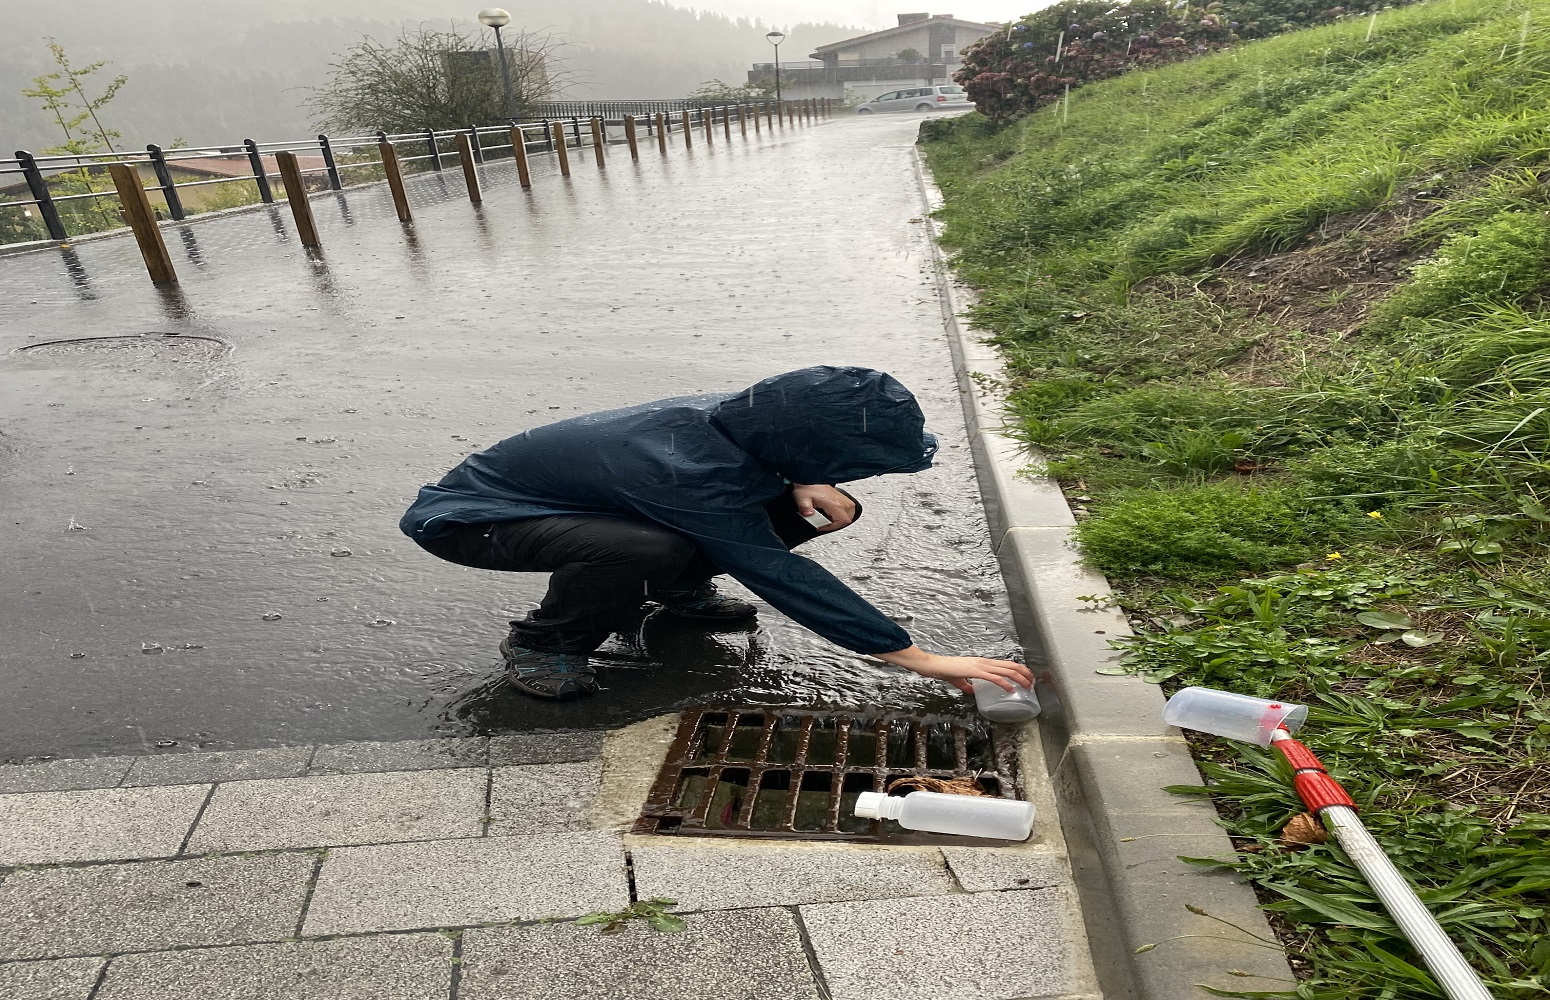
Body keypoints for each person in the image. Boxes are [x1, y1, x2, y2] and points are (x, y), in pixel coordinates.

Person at [401, 366, 1032, 701]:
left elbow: (776, 454)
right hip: (475, 519)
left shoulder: (750, 412)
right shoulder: (687, 471)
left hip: (613, 497)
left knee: (816, 506)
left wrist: (800, 479)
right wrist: (915, 657)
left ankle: (673, 588)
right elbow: (776, 572)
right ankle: (546, 642)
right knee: (647, 547)